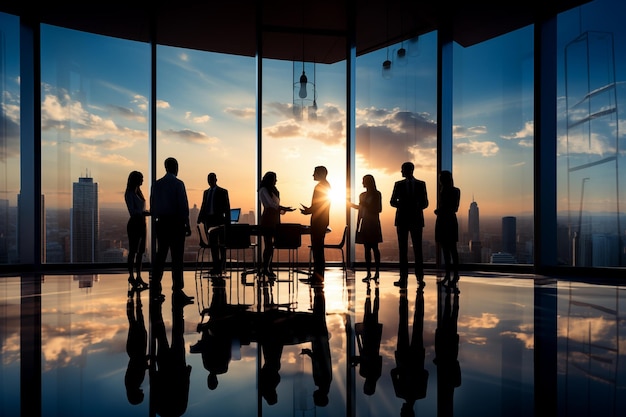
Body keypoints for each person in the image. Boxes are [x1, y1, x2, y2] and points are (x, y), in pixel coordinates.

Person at [150, 157, 194, 304]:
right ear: (175, 167)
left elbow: (153, 205)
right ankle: (177, 290)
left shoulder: (156, 185)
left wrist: (156, 223)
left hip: (161, 223)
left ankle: (155, 288)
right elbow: (183, 206)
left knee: (160, 256)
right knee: (177, 258)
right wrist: (186, 224)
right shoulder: (178, 184)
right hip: (176, 224)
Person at [390, 162, 429, 288]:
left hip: (413, 219)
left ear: (407, 170)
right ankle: (404, 277)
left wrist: (414, 206)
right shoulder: (399, 184)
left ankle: (419, 277)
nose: (401, 172)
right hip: (404, 220)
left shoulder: (421, 184)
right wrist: (405, 205)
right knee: (403, 249)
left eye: (402, 170)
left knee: (417, 249)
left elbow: (425, 203)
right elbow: (392, 201)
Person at [258, 171, 295, 278]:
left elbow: (275, 205)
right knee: (268, 244)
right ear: (270, 180)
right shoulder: (263, 190)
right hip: (268, 219)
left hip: (274, 218)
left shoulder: (272, 190)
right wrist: (284, 208)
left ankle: (268, 267)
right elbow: (270, 204)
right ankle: (265, 268)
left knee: (271, 245)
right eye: (275, 178)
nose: (276, 180)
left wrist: (283, 209)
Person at [349, 174, 383, 282]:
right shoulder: (362, 195)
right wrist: (358, 223)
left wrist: (365, 205)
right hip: (365, 223)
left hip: (373, 223)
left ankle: (376, 272)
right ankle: (369, 272)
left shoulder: (377, 194)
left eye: (364, 181)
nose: (362, 183)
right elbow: (361, 209)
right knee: (367, 249)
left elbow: (378, 209)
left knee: (374, 248)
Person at [300, 166, 331, 284]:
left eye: (314, 173)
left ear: (320, 173)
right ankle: (318, 276)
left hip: (319, 221)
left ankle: (317, 277)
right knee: (318, 249)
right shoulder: (325, 185)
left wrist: (308, 211)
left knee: (317, 249)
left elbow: (319, 205)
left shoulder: (320, 186)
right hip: (321, 220)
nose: (313, 175)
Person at [197, 172, 231, 276]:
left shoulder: (222, 192)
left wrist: (227, 223)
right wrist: (200, 219)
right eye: (209, 179)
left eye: (212, 179)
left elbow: (227, 207)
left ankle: (221, 267)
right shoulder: (206, 192)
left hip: (219, 221)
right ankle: (216, 267)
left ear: (216, 180)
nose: (210, 181)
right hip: (209, 221)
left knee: (221, 245)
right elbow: (204, 205)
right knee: (213, 246)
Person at [125, 171, 150, 290]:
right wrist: (145, 213)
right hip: (134, 224)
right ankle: (131, 276)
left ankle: (138, 276)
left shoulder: (139, 192)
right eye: (141, 178)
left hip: (142, 224)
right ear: (135, 179)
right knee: (133, 251)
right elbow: (132, 211)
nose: (143, 180)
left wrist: (145, 213)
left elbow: (140, 208)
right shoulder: (129, 193)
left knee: (140, 252)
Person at [435, 170, 461, 285]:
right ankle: (450, 275)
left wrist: (440, 211)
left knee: (450, 250)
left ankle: (453, 275)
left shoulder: (450, 191)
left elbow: (454, 208)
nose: (439, 180)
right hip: (446, 221)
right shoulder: (449, 191)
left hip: (446, 221)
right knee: (448, 250)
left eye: (441, 178)